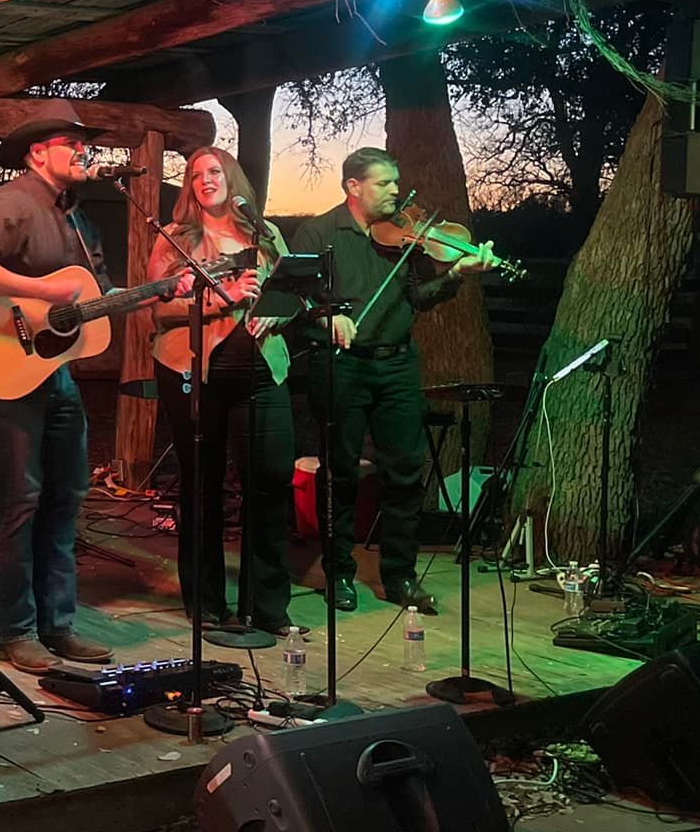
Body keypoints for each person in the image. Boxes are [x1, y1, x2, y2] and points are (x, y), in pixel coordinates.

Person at [0, 100, 188, 674]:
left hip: (57, 375)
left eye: (85, 143)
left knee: (67, 497)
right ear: (38, 151)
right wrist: (43, 295)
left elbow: (92, 298)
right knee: (20, 501)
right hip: (9, 374)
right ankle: (13, 631)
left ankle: (58, 625)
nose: (85, 152)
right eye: (73, 144)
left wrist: (157, 292)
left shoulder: (78, 216)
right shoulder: (10, 202)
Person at [284, 147, 493, 616]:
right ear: (353, 187)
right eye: (384, 184)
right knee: (339, 471)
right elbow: (297, 302)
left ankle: (399, 573)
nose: (396, 192)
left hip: (397, 364)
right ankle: (338, 572)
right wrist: (328, 319)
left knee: (405, 470)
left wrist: (456, 274)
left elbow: (419, 296)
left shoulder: (404, 237)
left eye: (396, 183)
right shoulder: (318, 232)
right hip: (341, 364)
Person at [147, 146, 301, 638]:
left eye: (214, 171)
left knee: (271, 480)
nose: (205, 180)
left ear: (233, 177)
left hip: (262, 372)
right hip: (193, 371)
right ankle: (206, 601)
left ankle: (267, 605)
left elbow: (297, 289)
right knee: (202, 485)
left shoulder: (265, 233)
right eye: (196, 176)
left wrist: (283, 308)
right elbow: (159, 309)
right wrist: (217, 300)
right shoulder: (176, 238)